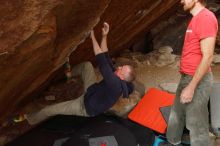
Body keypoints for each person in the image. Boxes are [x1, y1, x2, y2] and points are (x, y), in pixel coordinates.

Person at [22, 22, 135, 125]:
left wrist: (92, 37)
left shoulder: (115, 85)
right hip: (92, 90)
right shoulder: (117, 76)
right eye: (121, 66)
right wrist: (104, 35)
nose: (119, 67)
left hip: (85, 106)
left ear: (122, 77)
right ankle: (69, 75)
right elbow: (106, 56)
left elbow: (101, 60)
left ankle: (29, 119)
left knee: (49, 110)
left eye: (121, 68)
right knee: (87, 65)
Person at [163, 0, 218, 146]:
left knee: (197, 125)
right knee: (176, 115)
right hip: (187, 77)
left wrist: (192, 86)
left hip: (198, 81)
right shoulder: (195, 19)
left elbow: (208, 56)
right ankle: (172, 142)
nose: (181, 1)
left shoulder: (206, 17)